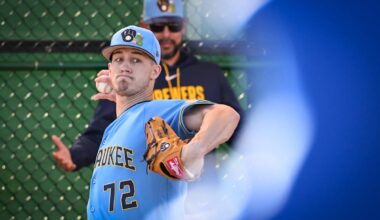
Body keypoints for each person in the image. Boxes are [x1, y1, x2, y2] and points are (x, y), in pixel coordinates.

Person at [52, 0, 243, 172]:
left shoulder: (209, 73)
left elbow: (238, 129)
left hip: (200, 187)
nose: (166, 34)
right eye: (158, 26)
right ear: (144, 27)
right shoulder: (131, 77)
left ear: (183, 26)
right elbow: (102, 130)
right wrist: (75, 155)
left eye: (173, 26)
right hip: (147, 182)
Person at [86, 25, 239, 219]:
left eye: (136, 60)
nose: (125, 66)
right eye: (118, 59)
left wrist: (194, 150)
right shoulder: (113, 128)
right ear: (110, 68)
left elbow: (226, 114)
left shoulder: (159, 113)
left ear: (154, 72)